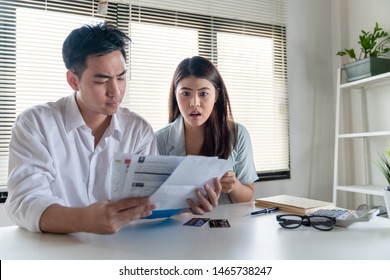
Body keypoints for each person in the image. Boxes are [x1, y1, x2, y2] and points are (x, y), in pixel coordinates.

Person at [6, 23, 220, 234]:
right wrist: (85, 220)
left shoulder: (138, 131)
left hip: (122, 251)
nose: (115, 91)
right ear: (73, 80)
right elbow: (25, 201)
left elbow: (149, 202)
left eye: (121, 77)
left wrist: (187, 203)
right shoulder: (36, 124)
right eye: (102, 81)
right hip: (53, 253)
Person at [156, 56, 258, 205]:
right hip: (178, 224)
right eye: (186, 93)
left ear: (216, 95)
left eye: (203, 94)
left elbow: (247, 197)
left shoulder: (238, 134)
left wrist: (234, 185)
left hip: (226, 225)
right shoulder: (159, 139)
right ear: (175, 95)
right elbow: (155, 200)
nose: (194, 103)